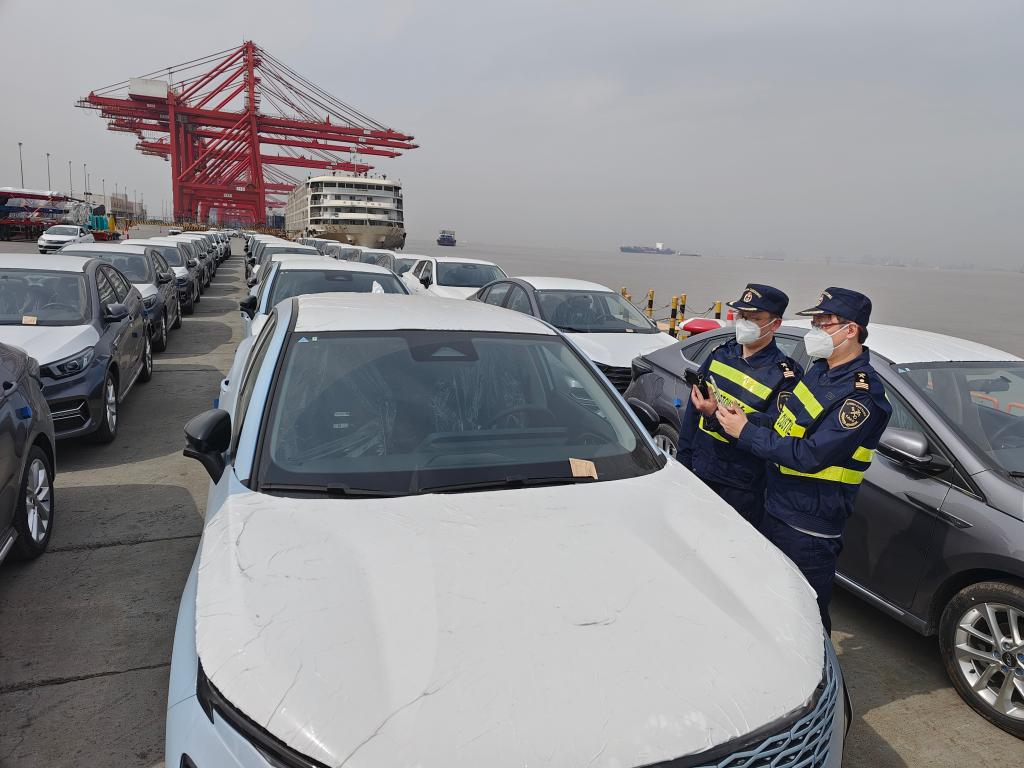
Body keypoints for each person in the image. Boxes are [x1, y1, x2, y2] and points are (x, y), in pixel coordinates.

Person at [715, 287, 892, 631]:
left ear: (850, 330)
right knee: (772, 602)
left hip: (809, 526)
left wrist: (746, 433)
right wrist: (747, 420)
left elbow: (811, 455)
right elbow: (785, 424)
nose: (815, 331)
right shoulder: (820, 371)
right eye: (814, 323)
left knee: (807, 618)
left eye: (823, 324)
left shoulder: (862, 397)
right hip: (777, 506)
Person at [679, 283, 802, 528]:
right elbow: (693, 413)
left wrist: (716, 414)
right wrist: (683, 463)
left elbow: (773, 433)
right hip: (700, 470)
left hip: (741, 485)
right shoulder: (720, 354)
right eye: (742, 316)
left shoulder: (785, 376)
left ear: (775, 324)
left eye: (754, 318)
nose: (744, 323)